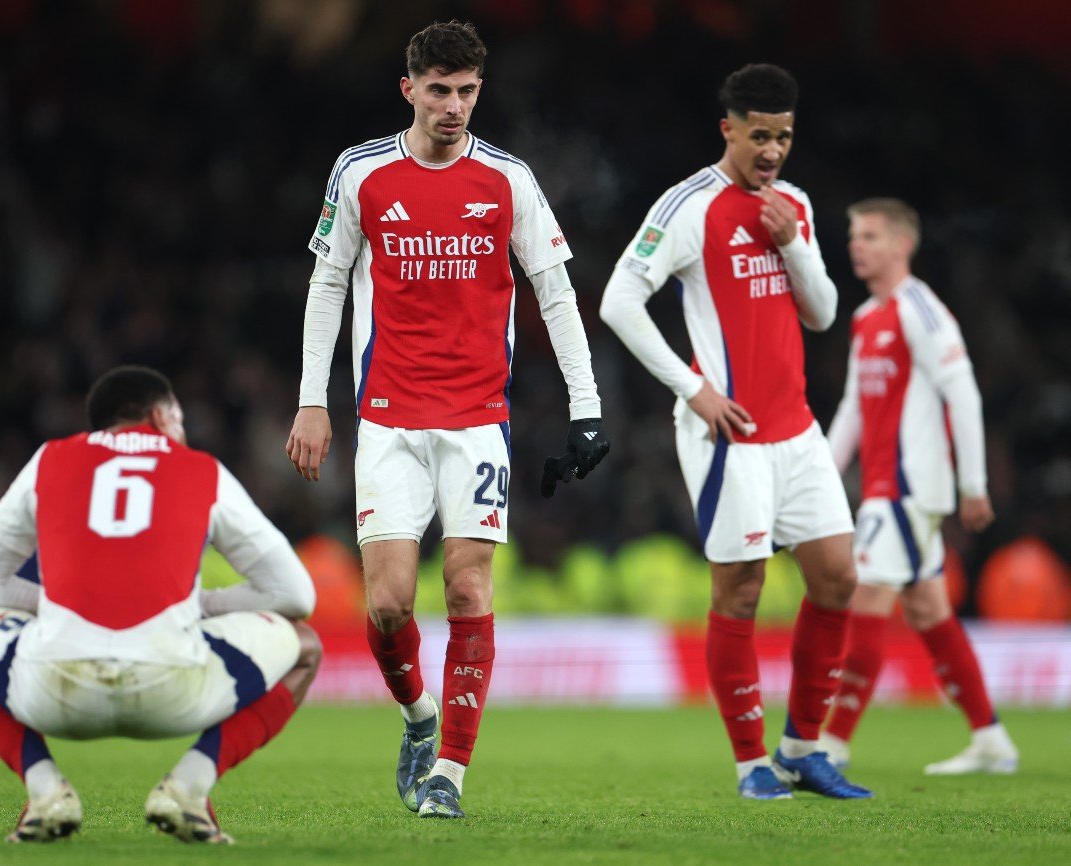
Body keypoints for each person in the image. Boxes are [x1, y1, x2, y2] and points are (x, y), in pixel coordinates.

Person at [285, 20, 609, 819]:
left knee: (467, 587)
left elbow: (555, 291)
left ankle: (450, 776)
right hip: (388, 419)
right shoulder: (362, 172)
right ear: (409, 90)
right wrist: (312, 399)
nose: (454, 106)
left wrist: (587, 406)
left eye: (466, 91)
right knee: (389, 605)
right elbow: (328, 284)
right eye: (439, 90)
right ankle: (418, 717)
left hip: (476, 418)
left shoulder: (508, 179)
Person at [599, 63, 870, 800]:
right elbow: (619, 301)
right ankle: (752, 764)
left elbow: (822, 314)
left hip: (797, 430)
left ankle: (802, 749)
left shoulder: (793, 205)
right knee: (741, 590)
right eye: (759, 136)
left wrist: (794, 243)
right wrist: (694, 390)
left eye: (784, 136)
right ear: (729, 129)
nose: (772, 150)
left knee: (838, 578)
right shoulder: (689, 206)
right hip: (730, 437)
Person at [0, 366, 321, 844]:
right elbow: (296, 595)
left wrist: (54, 604)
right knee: (305, 646)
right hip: (175, 691)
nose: (181, 432)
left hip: (55, 693)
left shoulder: (48, 460)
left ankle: (45, 791)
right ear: (160, 416)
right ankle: (188, 787)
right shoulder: (203, 470)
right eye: (179, 419)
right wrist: (199, 605)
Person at [819, 198, 1018, 774]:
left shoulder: (921, 310)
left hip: (907, 490)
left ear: (903, 245)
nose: (857, 246)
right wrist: (822, 477)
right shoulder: (865, 318)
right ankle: (990, 738)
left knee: (866, 602)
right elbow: (854, 406)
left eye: (870, 236)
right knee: (930, 612)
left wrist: (973, 485)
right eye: (855, 236)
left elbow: (964, 395)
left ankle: (832, 743)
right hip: (885, 487)